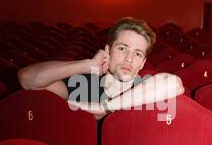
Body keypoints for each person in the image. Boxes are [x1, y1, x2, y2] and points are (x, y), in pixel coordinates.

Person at [18, 17, 184, 119]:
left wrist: (105, 107)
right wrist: (86, 65)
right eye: (122, 48)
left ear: (142, 63)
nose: (129, 58)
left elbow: (175, 83)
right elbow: (27, 79)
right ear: (107, 51)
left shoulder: (145, 89)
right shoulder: (82, 85)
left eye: (138, 54)